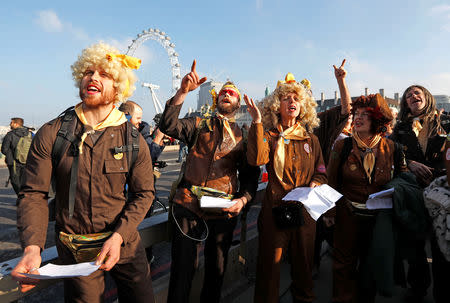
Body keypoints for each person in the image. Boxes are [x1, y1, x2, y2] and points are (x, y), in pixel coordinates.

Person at [11, 42, 155, 303]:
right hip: (76, 248)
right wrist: (33, 248)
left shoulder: (133, 139)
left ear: (118, 86)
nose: (93, 77)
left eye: (104, 74)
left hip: (124, 242)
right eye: (88, 72)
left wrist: (119, 236)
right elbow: (33, 193)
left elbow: (144, 194)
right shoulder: (53, 132)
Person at [159, 60, 259, 303]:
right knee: (182, 272)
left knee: (217, 271)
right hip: (188, 205)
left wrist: (243, 200)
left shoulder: (244, 136)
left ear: (238, 103)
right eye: (223, 91)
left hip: (222, 208)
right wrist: (182, 92)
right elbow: (168, 125)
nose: (227, 94)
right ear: (216, 99)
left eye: (232, 93)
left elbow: (250, 176)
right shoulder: (198, 124)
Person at [245, 72, 327, 303]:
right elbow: (256, 159)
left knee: (304, 266)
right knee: (269, 269)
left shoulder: (311, 140)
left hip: (305, 211)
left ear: (304, 106)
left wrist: (316, 182)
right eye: (286, 98)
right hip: (275, 209)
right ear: (276, 106)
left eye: (296, 99)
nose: (292, 102)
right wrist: (257, 123)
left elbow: (321, 171)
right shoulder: (270, 136)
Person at [327, 94, 407, 303]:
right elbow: (331, 182)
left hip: (379, 219)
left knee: (370, 267)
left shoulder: (392, 148)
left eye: (365, 114)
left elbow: (402, 180)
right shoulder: (342, 146)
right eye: (356, 114)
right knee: (343, 266)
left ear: (377, 120)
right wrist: (331, 213)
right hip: (347, 216)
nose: (358, 118)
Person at [390, 85, 450, 302]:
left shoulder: (446, 122)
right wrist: (409, 163)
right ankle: (417, 288)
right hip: (414, 192)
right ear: (405, 104)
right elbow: (390, 156)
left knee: (441, 246)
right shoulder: (401, 128)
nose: (412, 96)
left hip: (442, 192)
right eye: (408, 96)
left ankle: (443, 294)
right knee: (415, 246)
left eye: (417, 93)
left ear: (426, 97)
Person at [1, 117, 32, 195]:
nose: (10, 124)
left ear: (16, 124)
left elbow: (4, 149)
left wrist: (9, 156)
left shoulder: (10, 134)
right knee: (24, 180)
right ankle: (24, 196)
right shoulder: (29, 134)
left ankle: (21, 196)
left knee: (15, 181)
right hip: (27, 161)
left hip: (13, 162)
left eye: (11, 123)